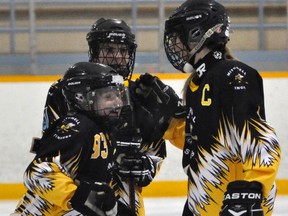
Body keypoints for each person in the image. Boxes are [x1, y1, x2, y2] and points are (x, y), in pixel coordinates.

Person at [134, 0, 281, 215]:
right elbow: (205, 140)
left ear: (196, 33)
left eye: (179, 37)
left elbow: (259, 136)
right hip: (202, 203)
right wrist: (170, 123)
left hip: (233, 205)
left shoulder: (231, 74)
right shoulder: (198, 83)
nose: (176, 45)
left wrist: (253, 189)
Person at [39, 18, 183, 216]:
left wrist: (147, 166)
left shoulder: (140, 95)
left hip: (125, 196)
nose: (117, 58)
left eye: (123, 51)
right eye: (109, 50)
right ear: (94, 51)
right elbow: (50, 153)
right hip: (80, 195)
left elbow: (155, 152)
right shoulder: (65, 90)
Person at [12, 62, 132, 216]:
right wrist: (83, 197)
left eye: (118, 95)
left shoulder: (104, 132)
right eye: (108, 96)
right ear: (82, 98)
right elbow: (37, 172)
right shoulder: (77, 126)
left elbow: (94, 189)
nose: (117, 102)